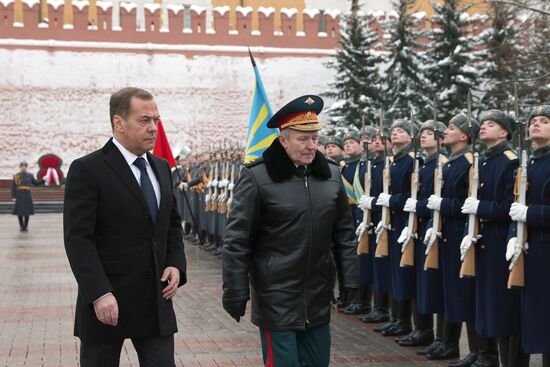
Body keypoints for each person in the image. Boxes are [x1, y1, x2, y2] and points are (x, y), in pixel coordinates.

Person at [222, 95, 359, 367]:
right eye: (302, 139)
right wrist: (235, 290)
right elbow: (237, 240)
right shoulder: (257, 177)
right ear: (283, 139)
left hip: (319, 298)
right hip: (277, 299)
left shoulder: (330, 176)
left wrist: (351, 280)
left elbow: (344, 234)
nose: (311, 146)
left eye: (315, 138)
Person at [63, 87, 187, 367]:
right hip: (108, 302)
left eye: (156, 119)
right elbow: (78, 239)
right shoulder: (88, 169)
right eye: (145, 120)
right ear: (119, 123)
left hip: (155, 300)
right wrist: (99, 293)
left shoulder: (161, 168)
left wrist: (175, 264)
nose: (154, 128)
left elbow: (171, 225)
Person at [461, 110, 528, 367]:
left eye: (491, 124)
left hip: (501, 241)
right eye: (484, 124)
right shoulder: (486, 161)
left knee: (504, 307)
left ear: (504, 132)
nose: (484, 127)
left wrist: (480, 208)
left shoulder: (509, 160)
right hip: (485, 240)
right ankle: (488, 356)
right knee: (489, 304)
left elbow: (508, 207)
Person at [424, 114, 484, 367]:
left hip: (462, 234)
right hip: (447, 234)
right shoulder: (450, 163)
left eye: (451, 128)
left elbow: (466, 203)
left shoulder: (470, 162)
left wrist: (444, 205)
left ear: (464, 135)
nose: (445, 132)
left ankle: (478, 351)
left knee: (466, 295)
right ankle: (449, 343)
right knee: (450, 292)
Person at [508, 105, 550, 367]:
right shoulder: (529, 163)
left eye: (544, 121)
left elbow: (525, 209)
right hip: (531, 249)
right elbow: (516, 204)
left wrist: (530, 214)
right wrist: (514, 234)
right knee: (536, 317)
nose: (536, 124)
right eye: (533, 121)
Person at [11, 161, 42, 231]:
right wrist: (13, 196)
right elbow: (13, 187)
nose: (23, 167)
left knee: (27, 212)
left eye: (25, 166)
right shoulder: (16, 176)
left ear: (26, 167)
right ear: (20, 167)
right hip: (19, 195)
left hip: (27, 195)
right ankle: (21, 226)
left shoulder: (30, 175)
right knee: (19, 212)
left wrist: (43, 180)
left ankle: (26, 226)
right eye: (22, 166)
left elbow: (35, 183)